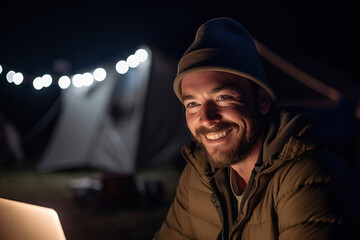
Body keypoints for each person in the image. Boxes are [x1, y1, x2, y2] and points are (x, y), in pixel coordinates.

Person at [154, 17, 359, 239]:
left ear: (262, 100)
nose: (206, 118)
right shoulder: (200, 172)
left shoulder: (307, 170)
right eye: (192, 104)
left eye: (223, 97)